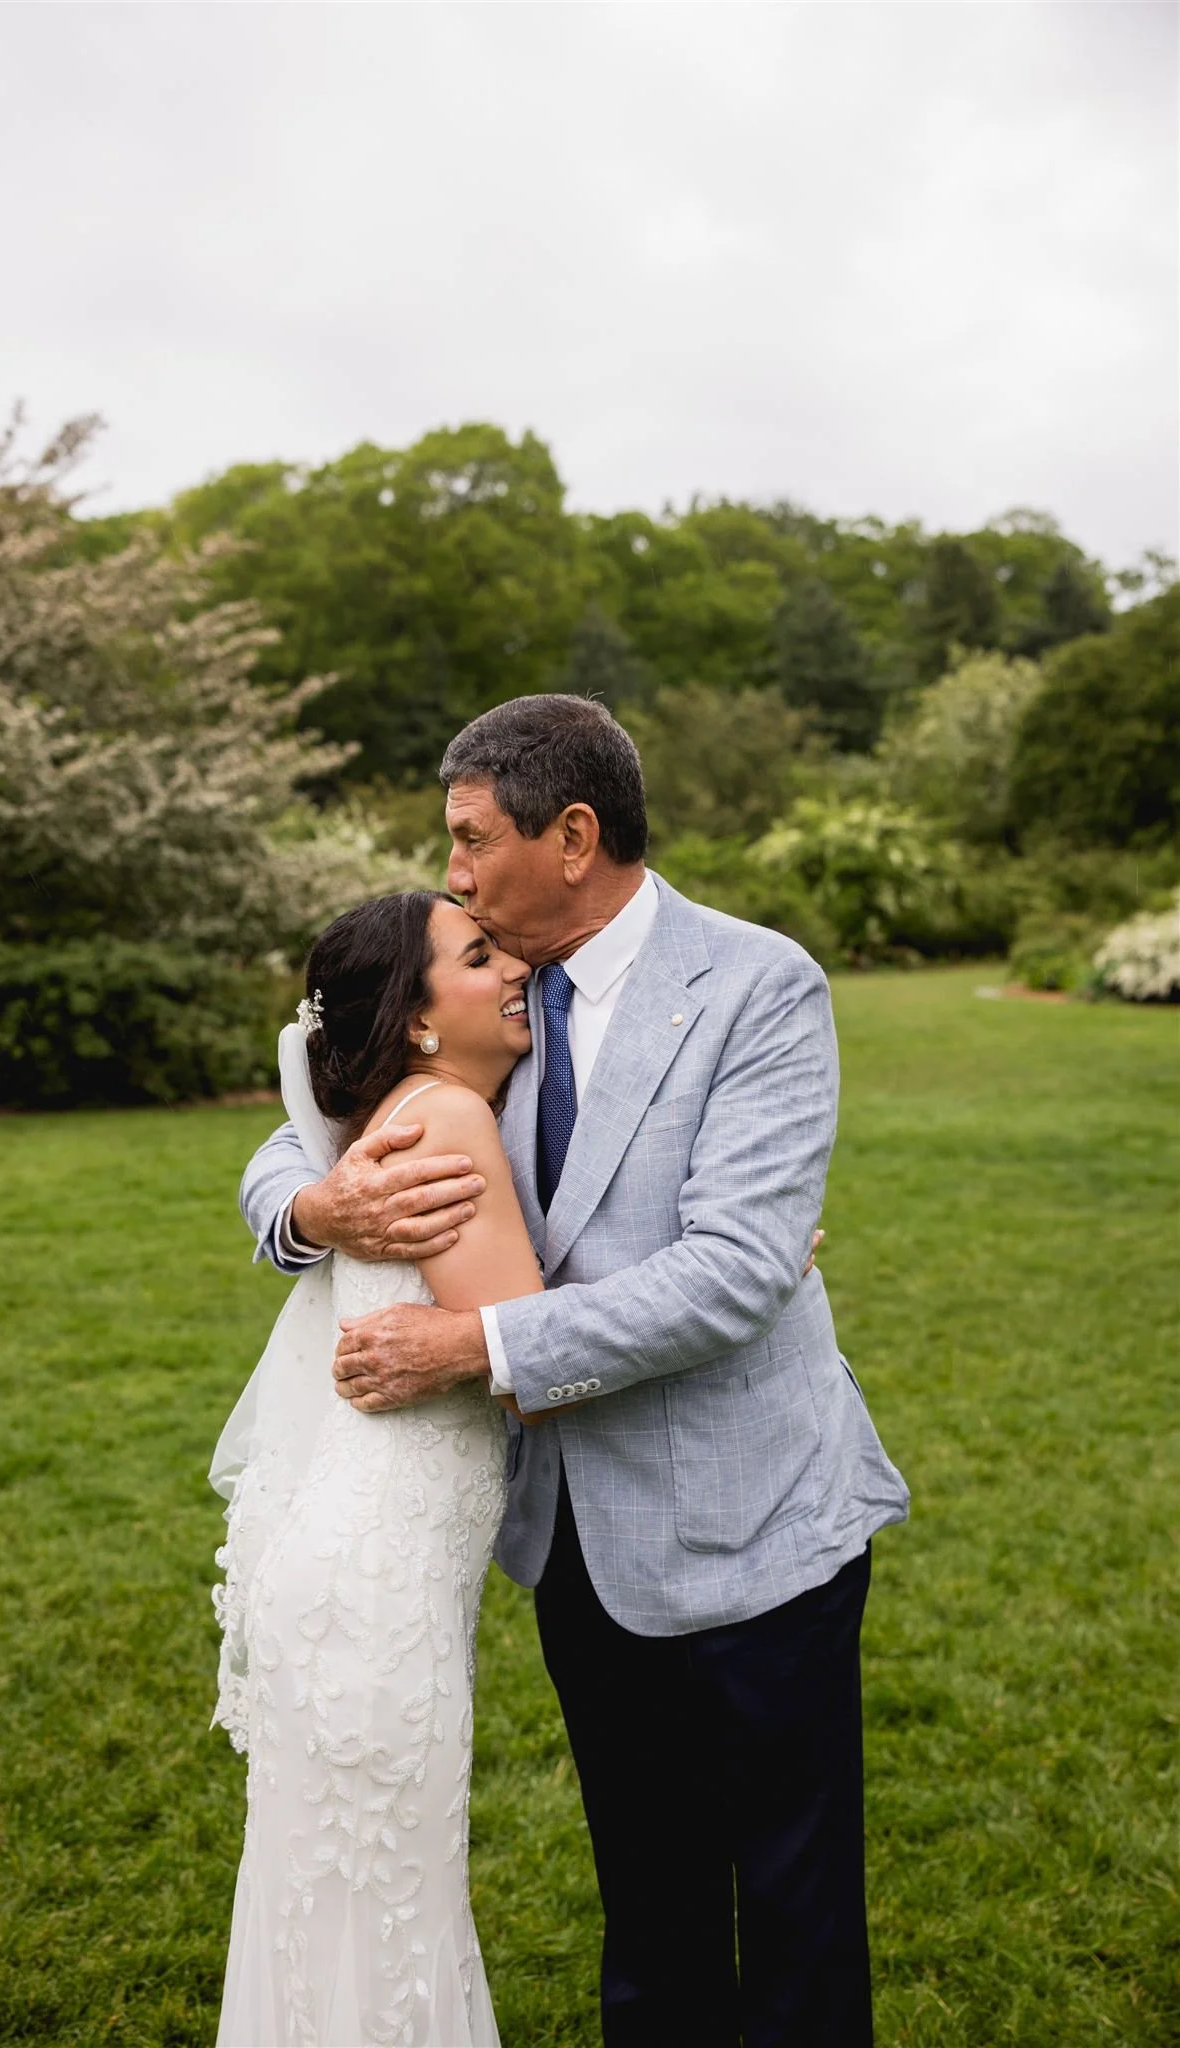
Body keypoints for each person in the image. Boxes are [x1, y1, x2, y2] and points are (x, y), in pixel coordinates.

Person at [239, 694, 910, 2048]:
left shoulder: (756, 986)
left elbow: (728, 1275)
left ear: (574, 834)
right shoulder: (479, 993)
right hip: (577, 1545)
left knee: (794, 1923)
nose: (457, 875)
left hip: (756, 1526)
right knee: (650, 1921)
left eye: (475, 840)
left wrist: (469, 1344)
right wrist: (314, 1216)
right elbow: (299, 1123)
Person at [210, 888, 548, 2047]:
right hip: (377, 1600)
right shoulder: (447, 1116)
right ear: (414, 1017)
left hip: (359, 1572)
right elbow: (528, 1352)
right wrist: (735, 1270)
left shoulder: (398, 1107)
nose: (514, 966)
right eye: (479, 953)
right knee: (388, 1910)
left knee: (344, 1911)